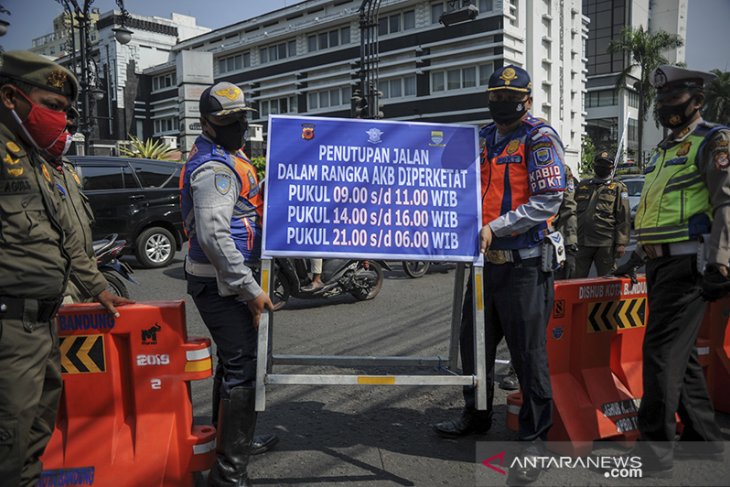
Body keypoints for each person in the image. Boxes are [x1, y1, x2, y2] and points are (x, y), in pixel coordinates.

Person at [0, 50, 131, 487]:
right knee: (8, 439)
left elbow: (68, 240)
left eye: (66, 111)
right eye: (52, 106)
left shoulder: (41, 162)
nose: (62, 119)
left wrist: (99, 288)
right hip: (9, 325)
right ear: (10, 97)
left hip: (43, 322)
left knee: (35, 429)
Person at [432, 65, 565, 484]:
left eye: (509, 98)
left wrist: (495, 228)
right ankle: (476, 416)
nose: (500, 104)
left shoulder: (539, 138)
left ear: (527, 100)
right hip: (485, 266)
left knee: (528, 356)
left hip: (525, 263)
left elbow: (549, 200)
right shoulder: (484, 138)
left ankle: (534, 439)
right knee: (475, 347)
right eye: (495, 97)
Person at [624, 65, 729, 476]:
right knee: (679, 357)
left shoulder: (713, 140)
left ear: (697, 102)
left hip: (689, 264)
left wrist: (720, 261)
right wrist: (635, 255)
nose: (667, 107)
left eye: (675, 100)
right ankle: (704, 438)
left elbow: (725, 202)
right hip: (660, 262)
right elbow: (655, 210)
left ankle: (654, 453)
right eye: (662, 100)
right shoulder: (664, 150)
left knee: (660, 354)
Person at [180, 81, 277, 486]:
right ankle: (229, 473)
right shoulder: (214, 168)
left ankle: (231, 441)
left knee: (233, 363)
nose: (238, 126)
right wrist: (251, 291)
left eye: (241, 118)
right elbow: (214, 236)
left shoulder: (226, 155)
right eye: (228, 121)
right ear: (207, 123)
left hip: (224, 280)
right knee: (243, 368)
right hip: (221, 283)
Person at [573, 152, 631, 277]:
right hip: (582, 240)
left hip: (605, 243)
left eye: (605, 165)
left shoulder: (618, 188)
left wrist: (621, 243)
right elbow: (572, 210)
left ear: (611, 168)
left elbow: (623, 215)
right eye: (599, 164)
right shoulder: (583, 185)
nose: (601, 167)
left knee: (607, 281)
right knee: (576, 280)